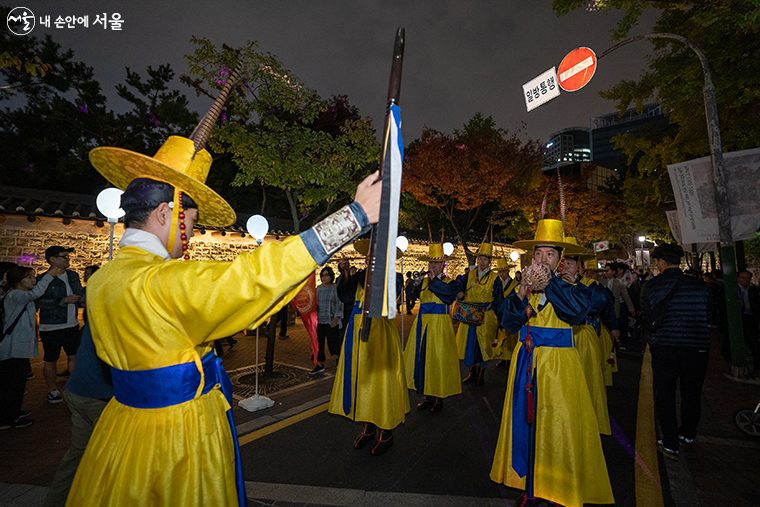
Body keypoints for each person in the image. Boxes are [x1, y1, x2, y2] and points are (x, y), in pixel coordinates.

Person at [65, 117, 383, 506]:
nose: (194, 234)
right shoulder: (160, 282)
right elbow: (251, 279)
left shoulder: (104, 279)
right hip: (177, 439)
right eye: (193, 223)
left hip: (122, 429)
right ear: (166, 214)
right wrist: (355, 216)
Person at [490, 219, 613, 507]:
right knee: (526, 425)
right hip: (527, 364)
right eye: (537, 254)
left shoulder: (573, 289)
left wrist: (552, 284)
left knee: (558, 427)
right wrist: (520, 293)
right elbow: (507, 322)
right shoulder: (526, 288)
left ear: (560, 261)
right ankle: (529, 486)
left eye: (550, 254)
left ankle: (559, 489)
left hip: (559, 369)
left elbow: (577, 312)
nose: (542, 260)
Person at [330, 240, 409, 456]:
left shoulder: (395, 277)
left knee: (380, 382)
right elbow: (345, 296)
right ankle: (368, 427)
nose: (369, 258)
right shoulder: (359, 276)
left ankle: (386, 431)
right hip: (357, 335)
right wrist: (345, 273)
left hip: (380, 334)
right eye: (368, 255)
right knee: (361, 380)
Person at [641, 243, 711, 460]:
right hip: (697, 347)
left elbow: (647, 315)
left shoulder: (652, 286)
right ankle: (688, 433)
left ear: (661, 262)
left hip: (665, 346)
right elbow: (708, 313)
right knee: (692, 392)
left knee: (665, 394)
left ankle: (670, 442)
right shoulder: (700, 286)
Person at [42, 324, 113, 507]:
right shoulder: (127, 308)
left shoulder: (103, 303)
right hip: (100, 398)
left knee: (76, 458)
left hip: (79, 391)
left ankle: (55, 502)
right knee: (119, 462)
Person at [403, 243, 461, 413]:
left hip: (440, 325)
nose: (432, 266)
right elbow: (410, 295)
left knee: (438, 360)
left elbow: (448, 296)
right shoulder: (424, 281)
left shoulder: (451, 282)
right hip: (422, 323)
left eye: (436, 263)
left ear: (443, 264)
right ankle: (427, 395)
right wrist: (416, 283)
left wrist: (434, 280)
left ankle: (438, 396)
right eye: (430, 263)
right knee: (423, 358)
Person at [561, 245, 611, 435]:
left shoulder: (590, 284)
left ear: (578, 267)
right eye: (563, 263)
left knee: (588, 379)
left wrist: (576, 283)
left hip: (584, 337)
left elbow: (599, 303)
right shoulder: (553, 285)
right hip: (562, 339)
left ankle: (589, 420)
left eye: (570, 263)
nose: (566, 267)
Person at [1, 266, 57, 429]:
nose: (33, 280)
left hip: (16, 347)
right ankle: (8, 419)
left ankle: (13, 412)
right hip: (12, 348)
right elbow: (35, 294)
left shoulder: (18, 295)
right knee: (12, 384)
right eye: (29, 277)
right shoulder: (16, 295)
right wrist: (49, 276)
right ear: (18, 281)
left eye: (33, 276)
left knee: (16, 382)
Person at [35, 246, 83, 403]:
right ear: (52, 259)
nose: (67, 259)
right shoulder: (43, 279)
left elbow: (80, 294)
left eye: (68, 257)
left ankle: (75, 387)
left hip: (72, 324)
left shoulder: (73, 275)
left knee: (73, 356)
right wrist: (62, 301)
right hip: (52, 326)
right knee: (51, 359)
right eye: (64, 257)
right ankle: (52, 389)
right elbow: (38, 301)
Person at [454, 242, 502, 386]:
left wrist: (498, 316)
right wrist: (460, 293)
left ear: (489, 262)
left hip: (486, 316)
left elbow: (499, 299)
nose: (482, 262)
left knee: (483, 346)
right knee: (470, 344)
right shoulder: (469, 275)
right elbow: (458, 285)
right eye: (480, 258)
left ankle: (481, 374)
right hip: (470, 315)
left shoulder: (495, 278)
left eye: (485, 259)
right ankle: (471, 373)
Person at [313, 266, 342, 374]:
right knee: (319, 343)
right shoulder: (318, 289)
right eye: (322, 275)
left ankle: (338, 362)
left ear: (331, 276)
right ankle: (319, 364)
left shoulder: (335, 289)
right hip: (319, 320)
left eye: (326, 275)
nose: (324, 278)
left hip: (331, 321)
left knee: (333, 342)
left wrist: (336, 317)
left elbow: (340, 303)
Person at [492, 258, 519, 368]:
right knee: (501, 336)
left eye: (504, 271)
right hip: (500, 313)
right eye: (500, 271)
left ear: (508, 271)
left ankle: (511, 358)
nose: (501, 274)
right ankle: (503, 358)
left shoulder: (515, 285)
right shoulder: (497, 284)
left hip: (511, 314)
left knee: (511, 337)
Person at [604, 262, 635, 350]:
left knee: (618, 325)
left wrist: (631, 308)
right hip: (603, 308)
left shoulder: (619, 283)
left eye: (608, 270)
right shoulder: (601, 280)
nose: (605, 272)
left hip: (615, 307)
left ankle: (619, 342)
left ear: (613, 272)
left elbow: (626, 296)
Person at [737, 270, 760, 375]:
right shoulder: (734, 289)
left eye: (747, 278)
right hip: (739, 316)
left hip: (751, 317)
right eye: (742, 277)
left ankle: (757, 360)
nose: (744, 280)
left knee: (753, 339)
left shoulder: (753, 290)